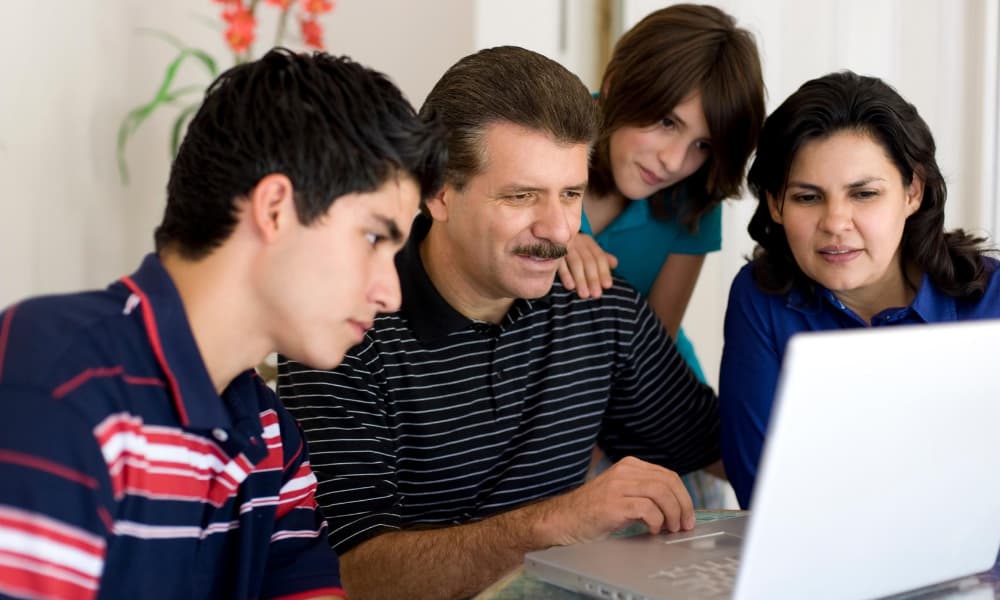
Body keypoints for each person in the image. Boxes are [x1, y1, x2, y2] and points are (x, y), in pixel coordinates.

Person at [0, 48, 445, 599]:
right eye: (374, 238)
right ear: (275, 208)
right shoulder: (59, 380)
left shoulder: (271, 437)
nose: (391, 294)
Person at [278, 46, 720, 599]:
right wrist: (553, 524)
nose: (558, 229)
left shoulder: (600, 307)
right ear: (437, 191)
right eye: (522, 196)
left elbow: (721, 449)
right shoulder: (345, 329)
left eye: (571, 194)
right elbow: (351, 575)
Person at [719, 70, 1000, 509]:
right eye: (807, 197)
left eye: (864, 194)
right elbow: (766, 497)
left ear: (912, 192)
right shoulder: (759, 300)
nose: (835, 222)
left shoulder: (992, 299)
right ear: (775, 204)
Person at [557, 3, 765, 506]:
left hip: (652, 393)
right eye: (667, 123)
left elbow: (655, 338)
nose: (675, 161)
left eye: (703, 145)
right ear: (620, 83)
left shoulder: (694, 195)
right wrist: (553, 232)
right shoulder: (549, 141)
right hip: (550, 399)